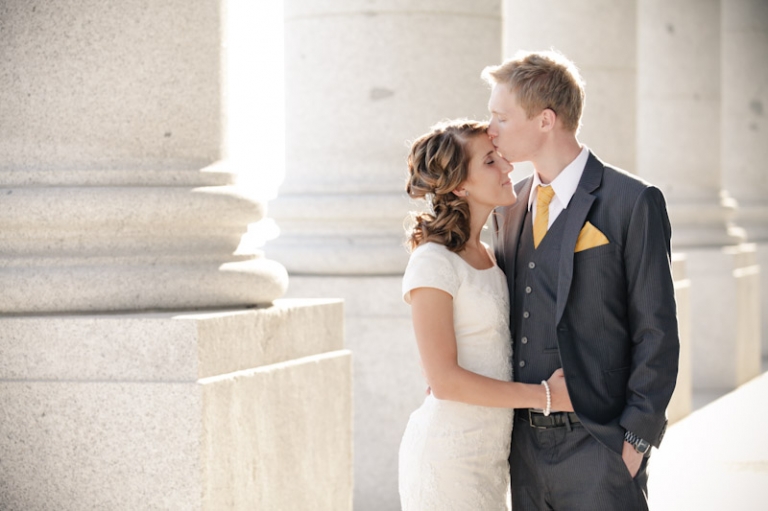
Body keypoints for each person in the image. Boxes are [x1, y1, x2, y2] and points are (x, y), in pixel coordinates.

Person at [484, 50, 680, 510]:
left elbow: (658, 329)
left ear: (546, 120)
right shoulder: (508, 205)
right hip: (524, 453)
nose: (490, 129)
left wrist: (634, 443)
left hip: (601, 449)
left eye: (500, 117)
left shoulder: (632, 201)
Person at [398, 119, 572, 510]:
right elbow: (443, 381)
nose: (508, 167)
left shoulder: (493, 257)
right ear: (460, 185)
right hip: (448, 460)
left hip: (491, 458)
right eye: (491, 161)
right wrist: (546, 397)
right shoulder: (432, 262)